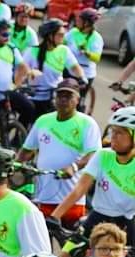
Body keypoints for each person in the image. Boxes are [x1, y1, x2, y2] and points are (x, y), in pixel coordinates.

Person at [17, 79, 101, 228]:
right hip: (43, 195)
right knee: (43, 245)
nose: (63, 100)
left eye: (68, 96)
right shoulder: (43, 121)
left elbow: (94, 155)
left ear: (77, 99)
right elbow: (26, 151)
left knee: (68, 246)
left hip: (71, 198)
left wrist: (74, 167)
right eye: (60, 95)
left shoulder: (87, 123)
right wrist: (13, 166)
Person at [51, 107, 135, 244]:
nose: (113, 136)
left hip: (127, 222)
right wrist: (55, 216)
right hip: (98, 216)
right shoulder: (103, 155)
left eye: (119, 133)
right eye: (113, 131)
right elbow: (80, 189)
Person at [24, 18, 83, 122]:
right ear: (50, 36)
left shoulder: (64, 50)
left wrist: (81, 77)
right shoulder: (32, 51)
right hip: (34, 96)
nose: (63, 38)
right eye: (60, 35)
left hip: (54, 97)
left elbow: (75, 67)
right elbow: (22, 69)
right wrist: (29, 72)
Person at [65, 8, 102, 111]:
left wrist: (87, 53)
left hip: (86, 72)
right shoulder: (73, 32)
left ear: (87, 23)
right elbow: (62, 42)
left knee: (77, 101)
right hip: (69, 69)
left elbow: (97, 58)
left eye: (80, 20)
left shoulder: (96, 38)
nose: (77, 21)